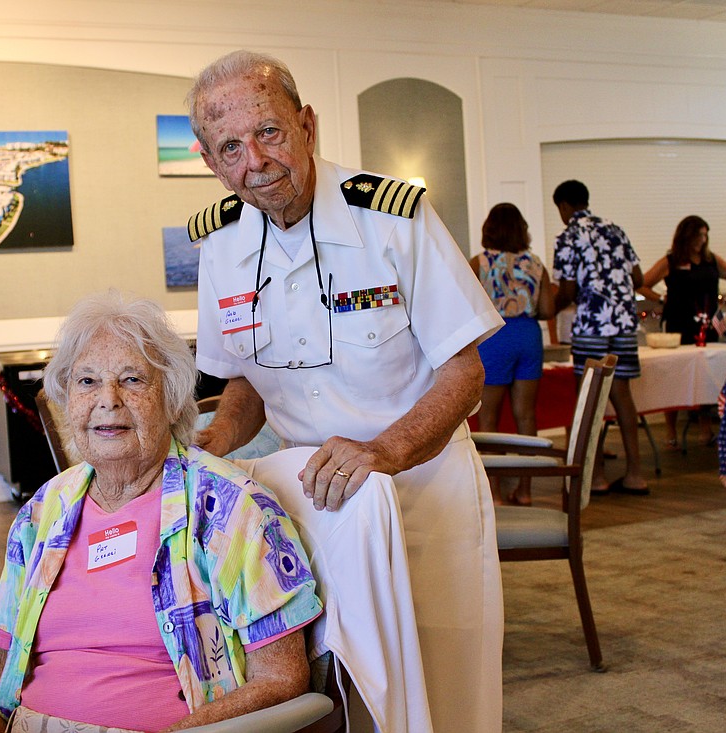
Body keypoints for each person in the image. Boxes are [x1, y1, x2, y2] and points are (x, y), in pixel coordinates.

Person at [186, 50, 505, 733]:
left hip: (426, 493)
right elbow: (245, 381)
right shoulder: (219, 248)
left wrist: (385, 450)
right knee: (336, 691)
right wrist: (213, 440)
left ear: (307, 124)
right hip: (310, 506)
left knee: (447, 695)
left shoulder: (392, 217)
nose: (256, 161)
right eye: (231, 147)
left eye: (270, 132)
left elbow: (464, 370)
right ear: (209, 159)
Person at [0, 291, 323, 733]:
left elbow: (282, 678)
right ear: (67, 399)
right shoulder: (44, 510)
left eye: (132, 380)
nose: (108, 400)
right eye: (87, 381)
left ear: (171, 400)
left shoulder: (231, 508)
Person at [551, 179, 649, 495]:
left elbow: (566, 292)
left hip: (592, 325)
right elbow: (638, 278)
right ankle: (636, 474)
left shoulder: (568, 237)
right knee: (623, 396)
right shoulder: (616, 230)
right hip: (623, 323)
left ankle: (596, 477)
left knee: (590, 400)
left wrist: (544, 310)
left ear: (564, 206)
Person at [638, 215, 726, 448]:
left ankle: (706, 428)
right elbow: (643, 283)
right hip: (679, 323)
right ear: (686, 236)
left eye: (705, 235)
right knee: (674, 374)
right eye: (698, 235)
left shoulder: (711, 260)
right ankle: (671, 432)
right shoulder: (671, 261)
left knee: (707, 372)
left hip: (707, 323)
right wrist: (661, 299)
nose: (702, 240)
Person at [470, 202, 556, 505]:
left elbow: (464, 305)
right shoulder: (535, 264)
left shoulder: (478, 263)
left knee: (488, 418)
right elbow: (547, 309)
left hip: (494, 336)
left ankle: (493, 493)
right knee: (526, 415)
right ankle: (526, 489)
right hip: (528, 336)